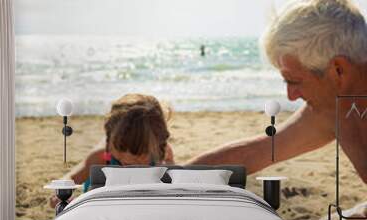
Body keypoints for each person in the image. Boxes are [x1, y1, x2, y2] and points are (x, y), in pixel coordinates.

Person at [188, 0, 367, 186]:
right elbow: (255, 152)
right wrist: (168, 180)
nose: (291, 95)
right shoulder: (333, 109)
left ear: (338, 70)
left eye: (294, 81)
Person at [50, 93, 174, 207]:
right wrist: (60, 195)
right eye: (121, 147)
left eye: (138, 151)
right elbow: (72, 178)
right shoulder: (103, 156)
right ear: (109, 140)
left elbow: (171, 186)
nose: (127, 157)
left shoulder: (162, 154)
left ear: (157, 146)